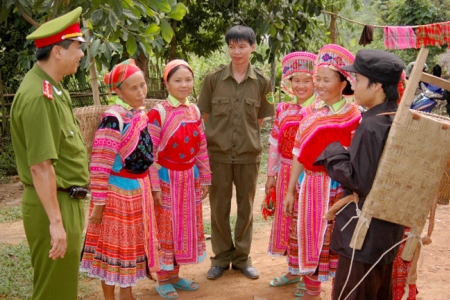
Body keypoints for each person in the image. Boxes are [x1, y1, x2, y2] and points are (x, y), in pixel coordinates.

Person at [9, 7, 89, 300]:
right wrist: (56, 222)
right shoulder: (38, 97)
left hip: (66, 200)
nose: (81, 54)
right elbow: (41, 166)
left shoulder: (55, 90)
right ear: (58, 51)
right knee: (54, 293)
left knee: (62, 288)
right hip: (53, 204)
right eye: (78, 47)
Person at [313, 49, 405, 300]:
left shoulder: (371, 125)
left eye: (359, 80)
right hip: (387, 231)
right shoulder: (396, 118)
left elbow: (360, 181)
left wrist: (333, 152)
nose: (354, 84)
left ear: (376, 86)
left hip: (362, 235)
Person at [283, 44, 362, 299]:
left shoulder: (355, 116)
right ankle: (312, 292)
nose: (319, 84)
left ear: (343, 83)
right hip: (310, 187)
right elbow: (299, 153)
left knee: (335, 242)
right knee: (308, 237)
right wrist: (290, 191)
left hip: (340, 190)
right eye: (318, 78)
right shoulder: (309, 112)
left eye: (326, 79)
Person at [197, 25, 274, 280]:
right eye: (232, 46)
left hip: (248, 155)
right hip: (217, 155)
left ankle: (242, 259)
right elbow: (206, 116)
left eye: (242, 46)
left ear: (253, 47)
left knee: (246, 208)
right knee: (218, 208)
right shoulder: (213, 78)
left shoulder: (263, 82)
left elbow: (259, 120)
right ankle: (220, 258)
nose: (236, 51)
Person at [80, 59, 159, 300]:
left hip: (138, 191)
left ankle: (127, 294)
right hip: (117, 196)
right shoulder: (113, 119)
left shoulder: (139, 115)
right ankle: (110, 297)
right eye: (133, 88)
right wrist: (100, 204)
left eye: (143, 85)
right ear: (118, 91)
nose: (141, 92)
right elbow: (100, 165)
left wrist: (153, 188)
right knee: (113, 250)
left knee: (132, 247)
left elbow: (149, 156)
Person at [147, 59, 211, 299]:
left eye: (188, 80)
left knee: (184, 227)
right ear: (167, 83)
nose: (184, 85)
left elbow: (201, 146)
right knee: (166, 227)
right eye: (178, 80)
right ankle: (162, 279)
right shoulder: (158, 112)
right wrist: (155, 187)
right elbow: (150, 153)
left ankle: (175, 274)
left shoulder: (193, 110)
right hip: (166, 178)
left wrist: (204, 176)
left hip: (189, 177)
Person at [265, 51, 317, 287]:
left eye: (307, 80)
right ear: (288, 82)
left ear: (316, 81)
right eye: (296, 80)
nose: (301, 85)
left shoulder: (320, 110)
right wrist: (271, 176)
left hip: (310, 177)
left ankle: (308, 276)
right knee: (289, 224)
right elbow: (275, 143)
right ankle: (293, 271)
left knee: (307, 223)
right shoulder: (283, 109)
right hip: (286, 174)